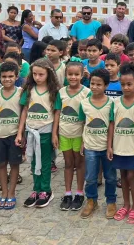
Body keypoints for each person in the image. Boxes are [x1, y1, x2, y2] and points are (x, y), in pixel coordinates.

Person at [19, 58, 62, 209]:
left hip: (46, 131)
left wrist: (54, 134)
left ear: (49, 74)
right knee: (32, 161)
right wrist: (20, 132)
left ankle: (46, 190)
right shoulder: (28, 90)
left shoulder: (54, 91)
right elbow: (24, 110)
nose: (37, 77)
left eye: (41, 74)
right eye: (35, 74)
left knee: (44, 163)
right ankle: (36, 189)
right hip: (31, 131)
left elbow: (57, 113)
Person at [108, 63, 134, 224]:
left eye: (129, 84)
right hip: (119, 146)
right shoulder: (115, 103)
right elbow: (111, 124)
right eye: (123, 84)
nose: (126, 87)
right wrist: (109, 145)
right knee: (122, 175)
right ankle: (125, 204)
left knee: (132, 176)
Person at [77, 68, 117, 219]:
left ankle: (111, 201)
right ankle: (91, 201)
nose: (94, 87)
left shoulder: (112, 103)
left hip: (106, 148)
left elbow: (112, 125)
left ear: (106, 85)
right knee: (91, 177)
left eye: (99, 84)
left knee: (111, 177)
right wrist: (82, 142)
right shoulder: (84, 103)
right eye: (92, 83)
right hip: (90, 146)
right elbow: (83, 124)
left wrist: (110, 145)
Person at [0, 62, 24, 210]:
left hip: (14, 134)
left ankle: (12, 192)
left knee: (14, 164)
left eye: (10, 76)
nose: (7, 79)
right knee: (1, 164)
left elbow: (23, 114)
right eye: (4, 77)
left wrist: (20, 133)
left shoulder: (21, 92)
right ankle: (3, 192)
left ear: (16, 77)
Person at [58, 60, 90, 211]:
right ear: (66, 75)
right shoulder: (61, 92)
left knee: (80, 163)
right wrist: (54, 134)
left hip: (79, 134)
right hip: (64, 133)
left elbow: (89, 117)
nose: (73, 77)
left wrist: (85, 138)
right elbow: (57, 113)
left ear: (82, 75)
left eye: (76, 74)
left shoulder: (86, 93)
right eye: (70, 74)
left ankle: (79, 192)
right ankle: (67, 192)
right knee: (68, 163)